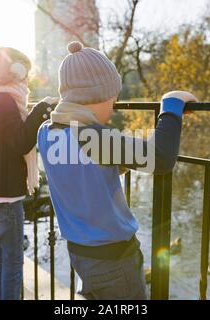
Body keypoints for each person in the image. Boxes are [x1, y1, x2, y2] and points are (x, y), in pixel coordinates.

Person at [37, 41, 198, 300]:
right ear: (97, 97)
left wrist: (117, 161)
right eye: (113, 100)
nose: (113, 109)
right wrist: (171, 106)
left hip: (80, 253)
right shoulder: (93, 136)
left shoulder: (46, 132)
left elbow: (79, 171)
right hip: (114, 260)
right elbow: (160, 158)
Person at [0, 47, 54, 300]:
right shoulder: (4, 100)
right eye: (24, 72)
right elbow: (21, 142)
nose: (26, 79)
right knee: (14, 261)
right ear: (14, 71)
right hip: (4, 194)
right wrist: (40, 111)